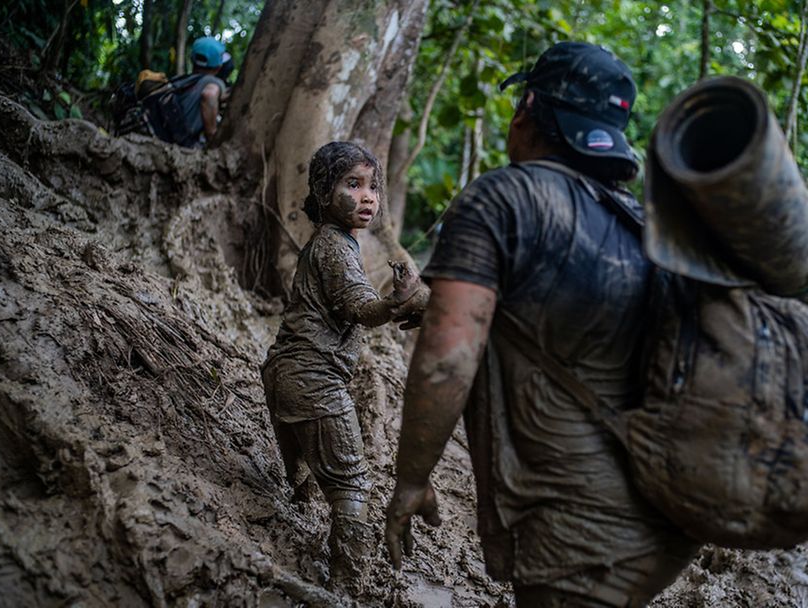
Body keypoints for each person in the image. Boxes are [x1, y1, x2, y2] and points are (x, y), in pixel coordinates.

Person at [385, 42, 700, 606]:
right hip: (671, 516)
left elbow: (447, 358)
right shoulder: (652, 227)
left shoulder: (503, 200)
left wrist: (411, 477)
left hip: (577, 526)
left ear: (527, 106)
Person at [262, 141, 427, 591]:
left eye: (373, 186)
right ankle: (345, 587)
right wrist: (394, 302)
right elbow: (358, 306)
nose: (369, 197)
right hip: (312, 380)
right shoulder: (336, 247)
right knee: (352, 486)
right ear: (322, 191)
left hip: (282, 371)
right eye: (353, 185)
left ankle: (277, 531)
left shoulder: (332, 243)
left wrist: (405, 303)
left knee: (302, 477)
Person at [173, 36, 227, 147]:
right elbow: (209, 94)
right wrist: (212, 135)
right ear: (219, 66)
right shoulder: (214, 82)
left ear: (192, 59)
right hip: (185, 146)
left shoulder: (178, 81)